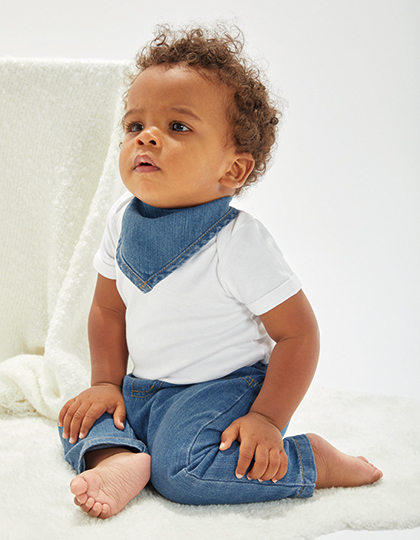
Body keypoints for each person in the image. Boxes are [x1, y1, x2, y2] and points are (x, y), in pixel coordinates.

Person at [58, 24, 382, 519]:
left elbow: (298, 335)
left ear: (232, 170)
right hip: (143, 387)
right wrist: (105, 381)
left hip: (221, 390)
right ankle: (120, 458)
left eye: (178, 126)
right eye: (134, 124)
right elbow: (107, 308)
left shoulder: (237, 242)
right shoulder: (121, 220)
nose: (146, 136)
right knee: (78, 418)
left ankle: (309, 460)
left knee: (183, 471)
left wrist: (267, 418)